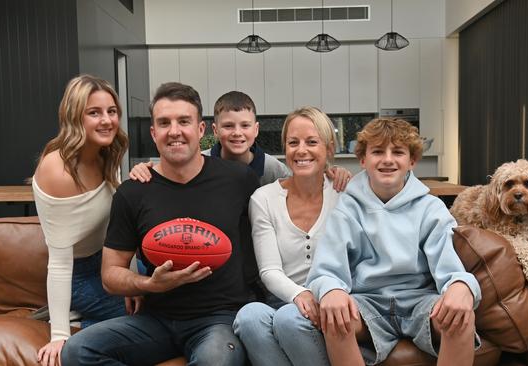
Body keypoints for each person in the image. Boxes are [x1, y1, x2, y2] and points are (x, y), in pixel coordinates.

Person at [60, 82, 261, 366]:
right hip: (156, 320)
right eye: (164, 123)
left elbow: (286, 204)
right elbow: (110, 274)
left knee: (215, 361)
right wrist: (147, 284)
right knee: (77, 350)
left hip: (220, 318)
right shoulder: (133, 192)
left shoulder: (239, 180)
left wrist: (331, 175)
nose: (174, 131)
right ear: (154, 133)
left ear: (201, 130)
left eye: (184, 121)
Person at [275, 118, 482, 366]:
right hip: (367, 303)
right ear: (362, 160)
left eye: (397, 152)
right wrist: (331, 289)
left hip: (420, 301)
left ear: (412, 161)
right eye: (377, 152)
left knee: (462, 317)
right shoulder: (347, 209)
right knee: (335, 315)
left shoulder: (431, 209)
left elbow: (451, 270)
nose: (387, 159)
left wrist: (462, 286)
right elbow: (326, 270)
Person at [32, 74, 131, 366]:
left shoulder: (105, 153)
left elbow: (117, 218)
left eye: (111, 111)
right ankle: (79, 327)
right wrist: (59, 335)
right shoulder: (58, 170)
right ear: (75, 117)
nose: (107, 120)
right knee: (144, 317)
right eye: (94, 112)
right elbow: (60, 262)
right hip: (79, 274)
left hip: (112, 259)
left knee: (173, 294)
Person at [232, 106, 342, 366]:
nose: (301, 150)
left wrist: (324, 297)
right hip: (283, 300)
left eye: (311, 142)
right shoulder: (264, 199)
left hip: (333, 301)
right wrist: (299, 296)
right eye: (293, 143)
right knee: (249, 316)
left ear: (329, 148)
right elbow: (269, 270)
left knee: (289, 319)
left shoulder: (344, 195)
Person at [129, 90, 351, 190]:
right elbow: (172, 169)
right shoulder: (201, 162)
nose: (237, 133)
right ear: (214, 130)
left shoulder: (273, 169)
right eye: (228, 126)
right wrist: (145, 169)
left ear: (256, 130)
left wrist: (330, 172)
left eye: (245, 126)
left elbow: (303, 183)